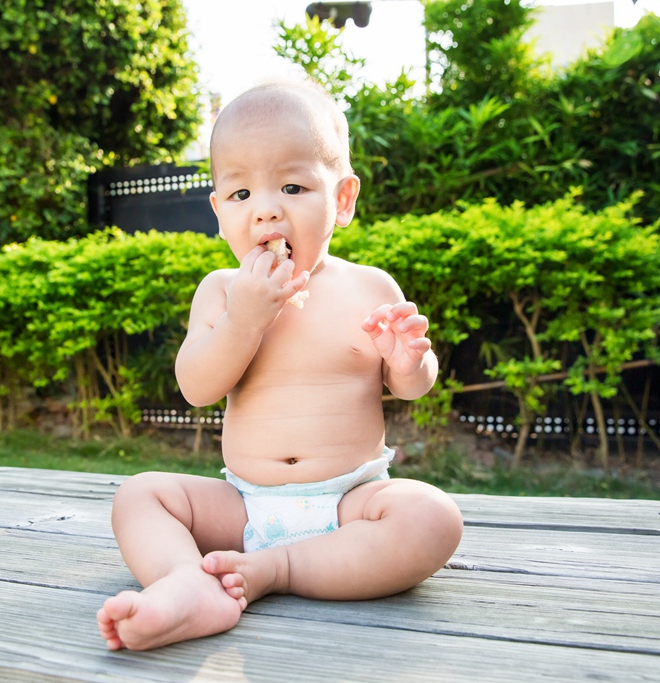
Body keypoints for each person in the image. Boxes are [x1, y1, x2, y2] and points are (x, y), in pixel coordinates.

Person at [96, 79, 463, 651]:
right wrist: (244, 320)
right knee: (139, 496)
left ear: (340, 200)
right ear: (218, 212)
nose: (265, 209)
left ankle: (277, 569)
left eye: (292, 186)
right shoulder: (220, 292)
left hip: (350, 504)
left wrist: (409, 358)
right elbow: (196, 388)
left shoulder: (368, 286)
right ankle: (187, 584)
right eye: (241, 195)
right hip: (244, 506)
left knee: (433, 518)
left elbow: (410, 386)